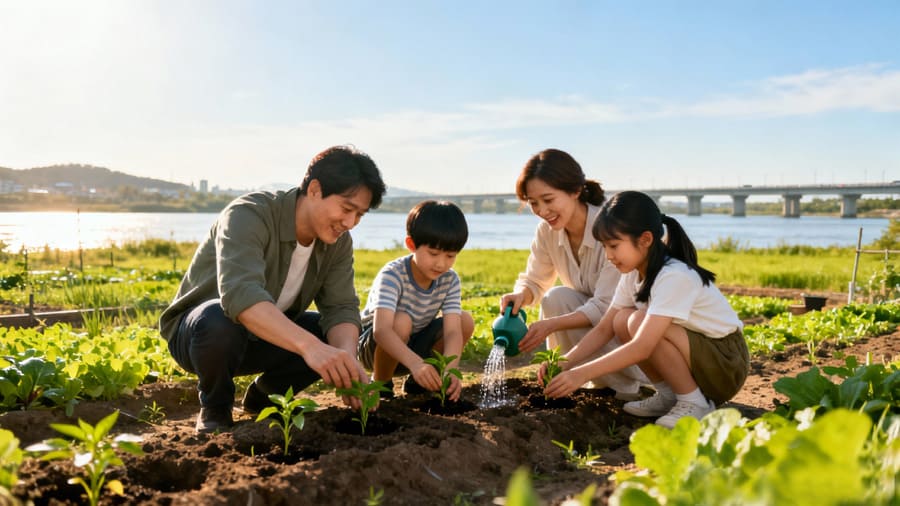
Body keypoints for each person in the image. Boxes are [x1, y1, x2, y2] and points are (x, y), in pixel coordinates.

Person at [159, 145, 387, 433]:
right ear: (315, 190)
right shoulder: (248, 214)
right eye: (346, 209)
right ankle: (215, 408)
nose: (350, 223)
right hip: (202, 338)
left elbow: (340, 307)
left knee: (328, 334)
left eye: (359, 215)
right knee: (217, 318)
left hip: (265, 337)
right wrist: (310, 347)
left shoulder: (338, 243)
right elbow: (240, 296)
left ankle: (264, 396)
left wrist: (346, 363)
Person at [540, 191, 750, 428]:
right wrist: (565, 362)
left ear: (646, 239)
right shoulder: (632, 274)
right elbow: (604, 329)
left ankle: (694, 402)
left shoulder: (674, 275)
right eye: (604, 247)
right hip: (701, 358)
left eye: (614, 246)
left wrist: (581, 374)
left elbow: (643, 346)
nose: (608, 256)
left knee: (638, 322)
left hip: (726, 364)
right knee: (621, 320)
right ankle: (669, 395)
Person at [499, 148, 645, 398]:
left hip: (631, 332)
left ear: (575, 191)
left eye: (548, 200)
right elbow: (535, 280)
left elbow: (606, 307)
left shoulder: (611, 228)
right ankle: (578, 379)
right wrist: (521, 295)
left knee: (573, 307)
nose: (542, 211)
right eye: (533, 203)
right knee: (556, 298)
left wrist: (550, 325)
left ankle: (628, 387)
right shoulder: (547, 231)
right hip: (598, 331)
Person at [358, 200, 474, 401]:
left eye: (450, 256)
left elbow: (453, 332)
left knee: (464, 321)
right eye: (433, 253)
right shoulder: (392, 275)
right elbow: (381, 331)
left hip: (415, 348)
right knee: (401, 321)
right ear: (411, 245)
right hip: (376, 349)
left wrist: (450, 369)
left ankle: (420, 382)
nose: (441, 264)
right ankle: (381, 383)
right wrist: (415, 363)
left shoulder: (449, 280)